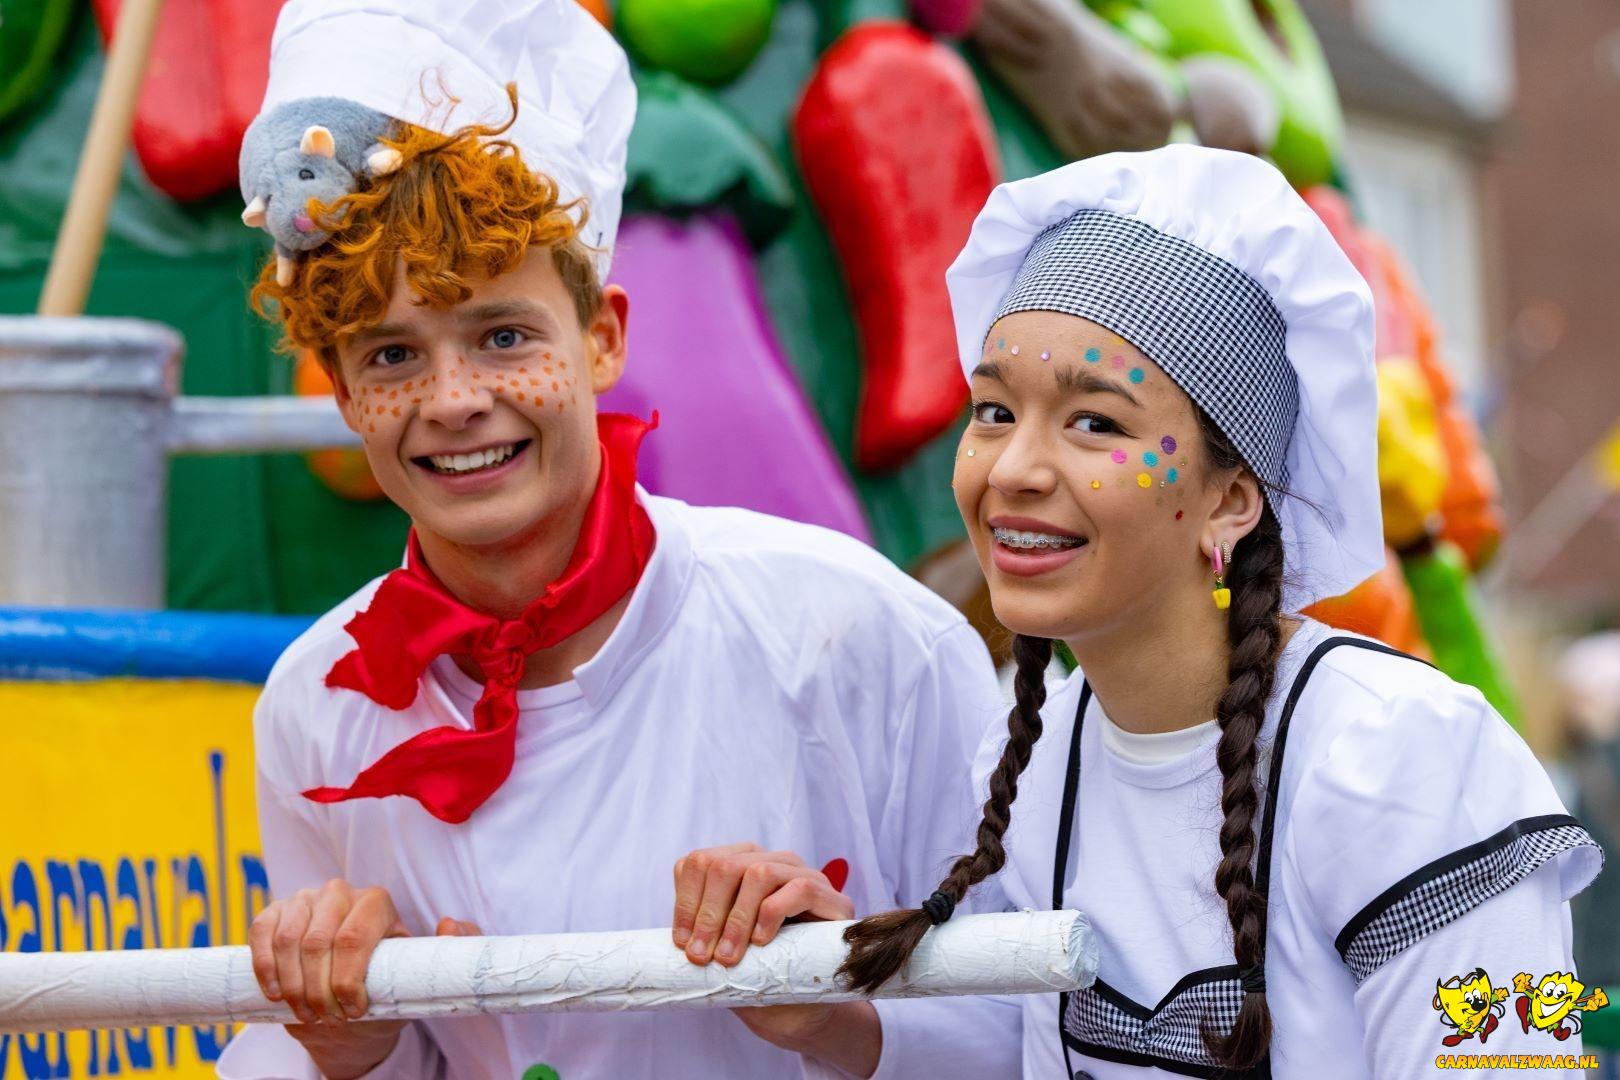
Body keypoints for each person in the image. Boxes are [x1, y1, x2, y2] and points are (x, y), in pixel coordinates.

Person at [214, 2, 1008, 1077]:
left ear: (602, 340)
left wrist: (835, 1012)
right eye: (392, 356)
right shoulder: (316, 708)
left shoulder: (857, 634)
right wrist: (351, 1049)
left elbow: (1049, 1026)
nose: (454, 400)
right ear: (347, 396)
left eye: (503, 336)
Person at [722, 146, 1608, 1078]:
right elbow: (1025, 1048)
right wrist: (827, 1008)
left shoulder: (1402, 758)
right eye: (992, 411)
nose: (1013, 468)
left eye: (1095, 423)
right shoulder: (1039, 758)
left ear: (1231, 500)